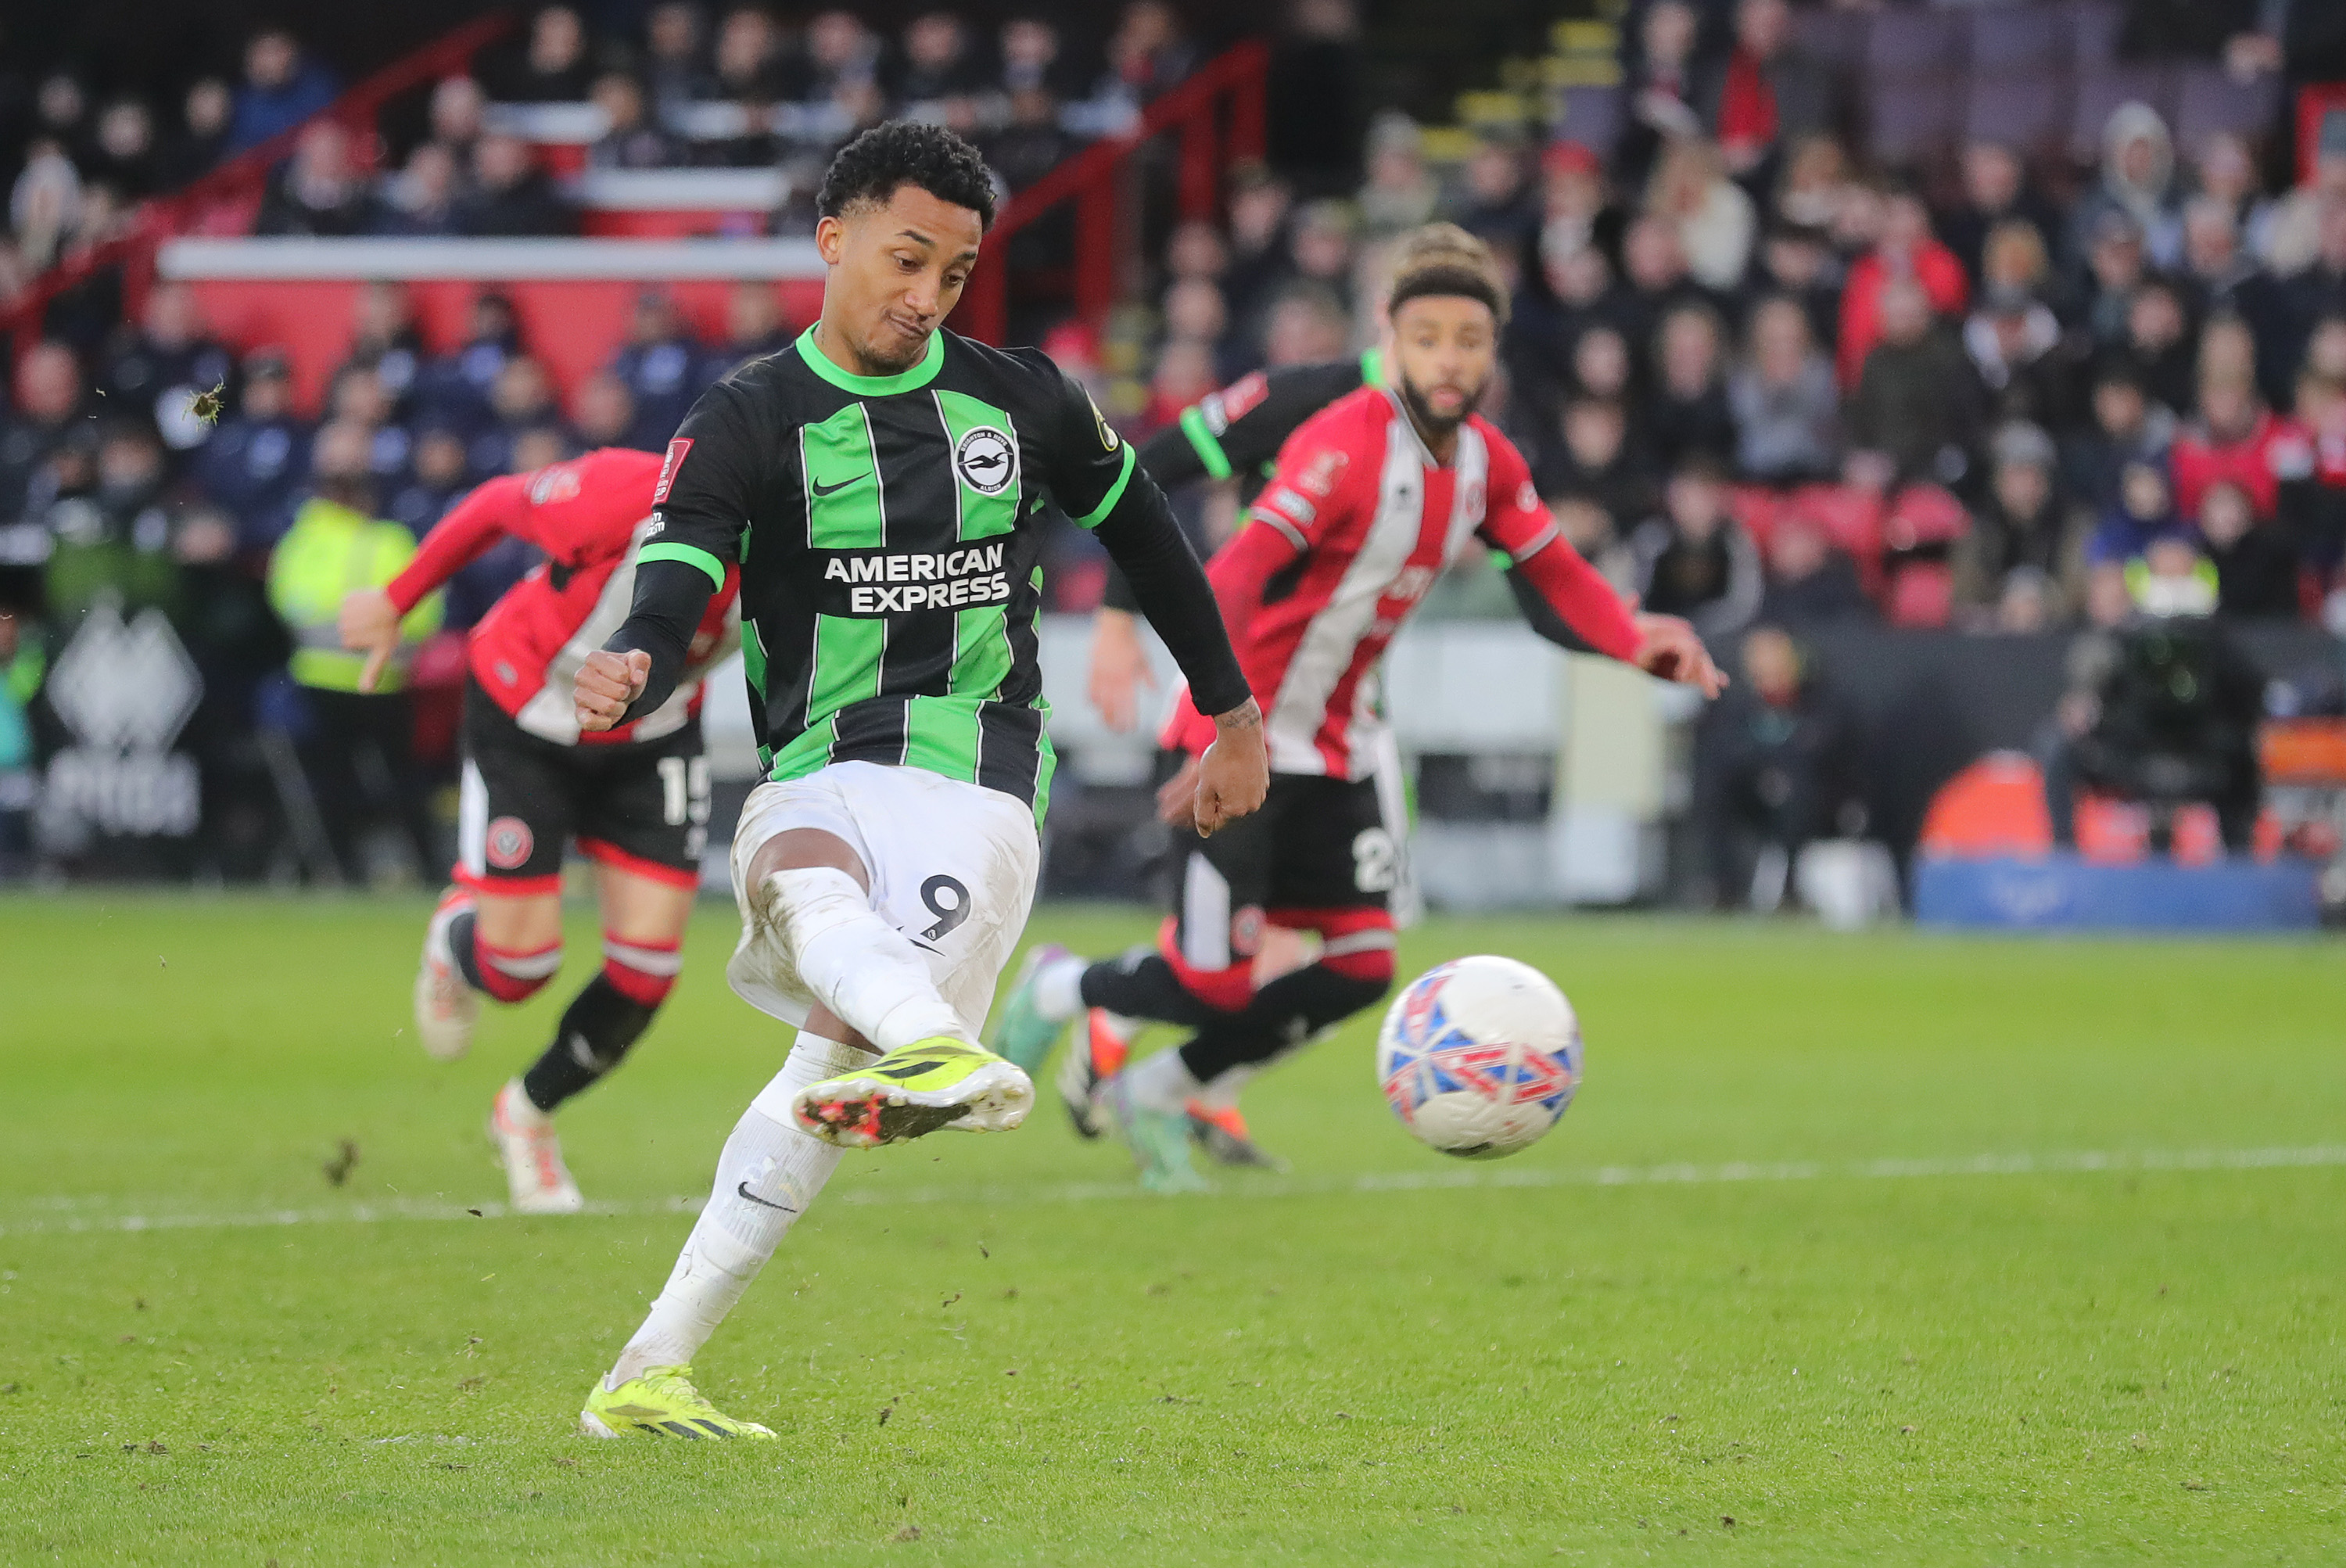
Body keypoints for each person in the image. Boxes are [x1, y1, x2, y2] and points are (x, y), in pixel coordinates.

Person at [563, 122, 1266, 1440]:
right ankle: (938, 1050)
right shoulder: (747, 417)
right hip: (817, 764)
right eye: (904, 261)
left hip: (977, 779)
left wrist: (1231, 711)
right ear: (832, 240)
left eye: (952, 273)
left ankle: (647, 1370)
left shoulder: (1025, 402)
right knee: (791, 870)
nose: (925, 298)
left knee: (824, 1077)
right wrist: (636, 662)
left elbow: (1154, 541)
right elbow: (676, 580)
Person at [988, 226, 1725, 1195]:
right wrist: (1217, 726)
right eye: (1429, 338)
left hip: (1335, 746)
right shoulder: (1339, 439)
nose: (1450, 361)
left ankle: (1163, 1089)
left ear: (1494, 351)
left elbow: (1551, 575)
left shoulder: (1490, 464)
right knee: (1210, 979)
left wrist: (1637, 639)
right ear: (1391, 335)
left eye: (1470, 340)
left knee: (1365, 962)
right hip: (1241, 733)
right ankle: (1058, 987)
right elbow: (1240, 575)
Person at [339, 447, 741, 1215]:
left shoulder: (819, 544)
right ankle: (456, 935)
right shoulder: (624, 492)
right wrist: (398, 597)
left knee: (646, 971)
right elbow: (495, 500)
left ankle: (525, 1114)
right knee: (521, 971)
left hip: (650, 737)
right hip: (528, 714)